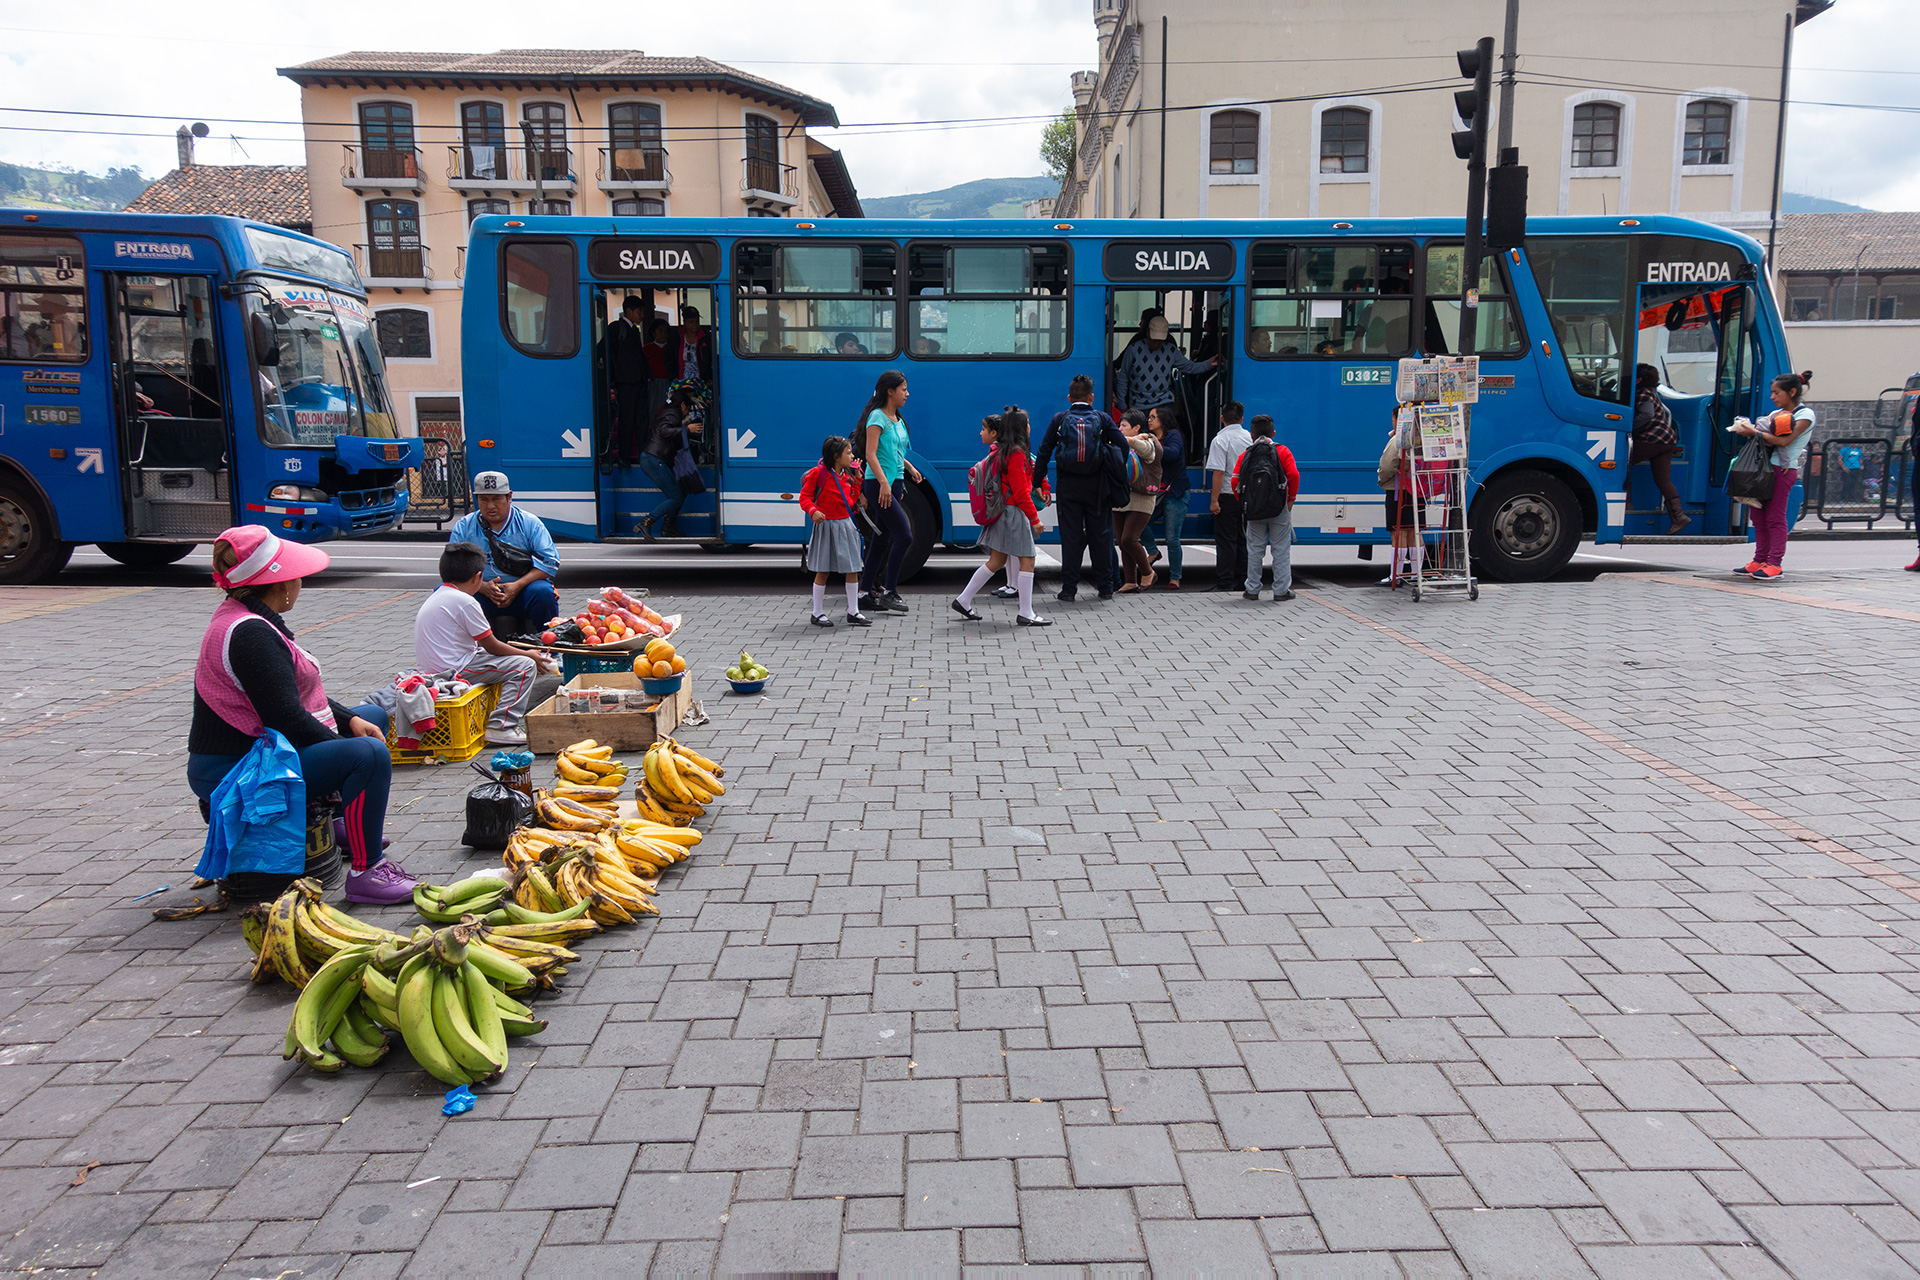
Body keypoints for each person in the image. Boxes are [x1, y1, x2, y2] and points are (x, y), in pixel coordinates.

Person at [187, 527, 419, 904]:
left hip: (261, 751)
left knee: (372, 714)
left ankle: (344, 825)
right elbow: (286, 717)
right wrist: (345, 746)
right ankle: (367, 872)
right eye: (295, 577)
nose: (300, 583)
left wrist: (350, 721)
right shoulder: (250, 634)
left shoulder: (246, 615)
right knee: (369, 755)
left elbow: (297, 696)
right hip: (238, 769)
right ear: (279, 584)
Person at [415, 542, 557, 746]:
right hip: (453, 670)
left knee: (508, 660)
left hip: (436, 668)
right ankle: (502, 727)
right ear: (477, 577)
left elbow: (483, 647)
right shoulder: (465, 601)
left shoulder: (438, 596)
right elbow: (492, 646)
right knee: (523, 667)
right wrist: (529, 655)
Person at [952, 409, 1049, 626]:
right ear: (1021, 427)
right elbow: (1021, 491)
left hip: (1001, 512)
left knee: (997, 561)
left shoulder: (1002, 450)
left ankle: (964, 599)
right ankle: (1026, 612)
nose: (1030, 426)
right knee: (1027, 560)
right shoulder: (1017, 453)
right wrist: (1035, 519)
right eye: (1028, 422)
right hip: (1013, 513)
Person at [1034, 374, 1123, 602]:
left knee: (1071, 538)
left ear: (1069, 397)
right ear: (1092, 397)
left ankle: (1069, 589)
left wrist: (1037, 483)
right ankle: (1105, 587)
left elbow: (1044, 453)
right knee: (1101, 537)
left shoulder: (1060, 419)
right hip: (1098, 488)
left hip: (1069, 488)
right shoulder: (1102, 418)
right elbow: (1122, 445)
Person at [446, 472, 560, 637]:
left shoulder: (529, 523)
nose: (490, 506)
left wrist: (516, 586)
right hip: (481, 593)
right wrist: (482, 586)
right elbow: (452, 569)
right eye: (484, 499)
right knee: (445, 594)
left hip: (523, 592)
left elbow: (550, 564)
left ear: (509, 497)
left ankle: (550, 649)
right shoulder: (464, 527)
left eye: (496, 499)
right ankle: (462, 654)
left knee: (543, 593)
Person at [1731, 370, 1816, 581]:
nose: (1772, 397)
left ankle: (1775, 563)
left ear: (1792, 392)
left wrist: (1753, 432)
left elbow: (1784, 441)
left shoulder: (1805, 415)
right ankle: (1760, 559)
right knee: (1758, 517)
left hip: (1783, 470)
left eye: (1777, 393)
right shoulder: (1776, 415)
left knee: (1775, 518)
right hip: (1765, 469)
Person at [855, 371, 924, 615]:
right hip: (878, 484)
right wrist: (884, 483)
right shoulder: (877, 417)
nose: (907, 393)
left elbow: (897, 452)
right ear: (890, 391)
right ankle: (888, 591)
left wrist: (910, 468)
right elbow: (870, 454)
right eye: (903, 389)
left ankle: (864, 594)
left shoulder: (897, 418)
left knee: (881, 539)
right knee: (904, 535)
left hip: (893, 483)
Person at [799, 435, 872, 627]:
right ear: (836, 456)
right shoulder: (818, 473)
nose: (852, 456)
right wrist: (813, 511)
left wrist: (857, 482)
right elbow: (805, 497)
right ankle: (817, 613)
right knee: (823, 570)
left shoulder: (846, 475)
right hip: (827, 527)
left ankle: (853, 611)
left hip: (845, 524)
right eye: (848, 453)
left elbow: (850, 501)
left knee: (853, 568)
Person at [1233, 414, 1300, 601]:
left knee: (1254, 550)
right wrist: (1290, 499)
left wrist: (1245, 501)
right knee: (1280, 549)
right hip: (1278, 508)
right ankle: (1281, 591)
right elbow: (1293, 475)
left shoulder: (1246, 454)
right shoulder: (1282, 451)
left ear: (1252, 435)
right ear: (1274, 432)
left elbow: (1234, 480)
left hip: (1254, 510)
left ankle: (1252, 590)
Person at [637, 382, 705, 540]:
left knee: (681, 492)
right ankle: (646, 522)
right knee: (676, 496)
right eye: (687, 409)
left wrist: (684, 426)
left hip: (654, 458)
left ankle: (668, 527)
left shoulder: (669, 412)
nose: (687, 413)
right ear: (682, 405)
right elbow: (664, 430)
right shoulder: (672, 413)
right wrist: (687, 429)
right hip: (654, 459)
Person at [1114, 314, 1217, 416]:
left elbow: (1190, 367)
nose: (1156, 344)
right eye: (1154, 340)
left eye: (1159, 341)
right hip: (1138, 407)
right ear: (1147, 333)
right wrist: (1122, 403)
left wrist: (1209, 363)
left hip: (1164, 405)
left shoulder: (1171, 350)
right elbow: (1124, 377)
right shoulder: (1133, 349)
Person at [1630, 363, 1690, 535]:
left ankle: (1627, 505)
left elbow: (1646, 414)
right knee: (1663, 480)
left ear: (1639, 379)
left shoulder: (1642, 393)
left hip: (1652, 439)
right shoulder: (1653, 392)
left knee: (1621, 465)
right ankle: (1678, 518)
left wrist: (1630, 427)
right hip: (1668, 440)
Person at [1139, 400, 1190, 588]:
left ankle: (1175, 578)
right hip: (1155, 492)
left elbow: (1173, 453)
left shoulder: (1173, 435)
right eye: (1149, 417)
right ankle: (1153, 551)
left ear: (1163, 419)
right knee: (1138, 523)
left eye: (1153, 417)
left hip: (1175, 493)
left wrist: (1151, 445)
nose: (1149, 420)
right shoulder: (1150, 437)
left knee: (1172, 539)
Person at [1112, 408, 1162, 592]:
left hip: (1141, 499)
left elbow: (1146, 451)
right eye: (1119, 425)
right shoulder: (1122, 442)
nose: (1120, 429)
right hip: (1121, 498)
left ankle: (1148, 572)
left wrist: (1132, 440)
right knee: (1121, 541)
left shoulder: (1149, 441)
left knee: (1129, 539)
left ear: (1137, 428)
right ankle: (1130, 581)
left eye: (1124, 426)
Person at [1207, 401, 1254, 592]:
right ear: (1242, 419)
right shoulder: (1250, 438)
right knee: (1243, 538)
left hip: (1228, 494)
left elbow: (1219, 472)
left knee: (1226, 540)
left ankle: (1225, 581)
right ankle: (1243, 578)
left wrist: (1214, 500)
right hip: (1247, 496)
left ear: (1222, 419)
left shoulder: (1220, 440)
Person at [1377, 413, 1424, 584]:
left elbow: (1387, 465)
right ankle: (1415, 574)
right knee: (1414, 531)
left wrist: (1381, 479)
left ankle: (1395, 576)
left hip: (1398, 490)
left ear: (1398, 419)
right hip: (1417, 489)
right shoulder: (1420, 437)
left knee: (1398, 533)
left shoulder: (1398, 439)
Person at [606, 295, 651, 466]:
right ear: (629, 311)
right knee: (627, 420)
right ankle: (625, 456)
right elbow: (608, 352)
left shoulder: (633, 330)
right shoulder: (617, 328)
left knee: (641, 419)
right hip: (625, 382)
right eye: (639, 311)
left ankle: (643, 455)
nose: (642, 315)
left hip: (638, 381)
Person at [642, 317, 675, 426]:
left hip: (669, 383)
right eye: (660, 331)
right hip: (653, 384)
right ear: (653, 332)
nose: (663, 334)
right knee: (653, 411)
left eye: (665, 332)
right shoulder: (646, 349)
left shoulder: (672, 348)